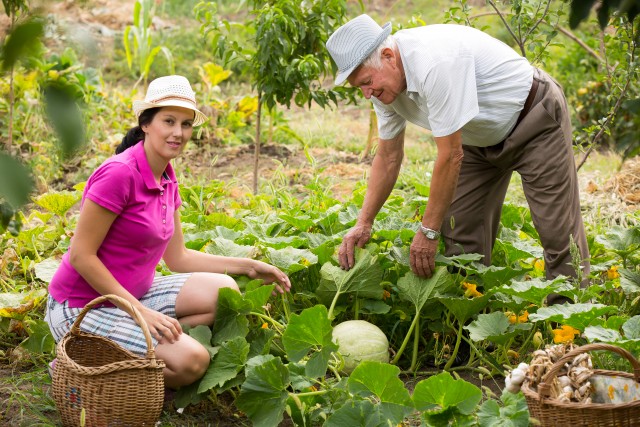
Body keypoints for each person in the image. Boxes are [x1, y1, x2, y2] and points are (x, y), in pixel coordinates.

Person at [45, 75, 292, 389]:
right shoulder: (119, 174)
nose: (178, 133)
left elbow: (179, 258)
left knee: (224, 291)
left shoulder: (167, 177)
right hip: (81, 305)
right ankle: (78, 363)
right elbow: (81, 256)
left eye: (186, 124)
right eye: (169, 121)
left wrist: (250, 266)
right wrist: (141, 314)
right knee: (193, 362)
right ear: (146, 123)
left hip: (134, 294)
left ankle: (120, 351)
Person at [326, 15, 589, 301]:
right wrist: (364, 222)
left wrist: (427, 231)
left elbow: (450, 155)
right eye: (359, 87)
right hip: (476, 137)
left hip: (534, 119)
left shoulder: (434, 62)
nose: (367, 94)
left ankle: (569, 327)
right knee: (460, 230)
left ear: (388, 56)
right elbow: (388, 156)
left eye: (366, 82)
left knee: (557, 230)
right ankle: (474, 321)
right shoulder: (384, 87)